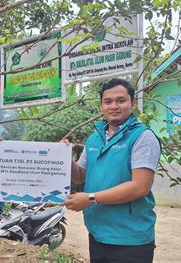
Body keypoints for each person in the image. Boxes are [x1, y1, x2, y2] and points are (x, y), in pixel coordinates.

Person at [62, 78, 161, 263]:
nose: (113, 106)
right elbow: (80, 176)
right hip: (97, 233)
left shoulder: (143, 137)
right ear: (101, 106)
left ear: (132, 103)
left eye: (120, 100)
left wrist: (90, 198)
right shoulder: (94, 139)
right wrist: (64, 157)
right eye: (108, 101)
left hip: (130, 239)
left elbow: (139, 187)